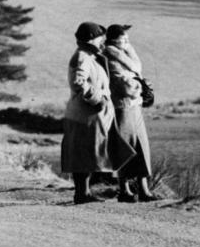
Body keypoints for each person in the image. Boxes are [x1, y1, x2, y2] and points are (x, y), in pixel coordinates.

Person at [61, 21, 132, 204]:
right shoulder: (82, 57)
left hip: (89, 115)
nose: (103, 41)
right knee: (83, 155)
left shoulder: (89, 56)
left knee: (87, 155)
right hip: (85, 115)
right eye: (100, 38)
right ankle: (82, 194)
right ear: (91, 39)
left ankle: (83, 193)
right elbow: (78, 83)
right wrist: (97, 99)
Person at [103, 23, 159, 202]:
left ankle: (144, 190)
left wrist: (140, 85)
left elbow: (133, 80)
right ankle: (124, 190)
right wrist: (141, 86)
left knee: (142, 147)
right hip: (122, 107)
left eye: (127, 39)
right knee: (124, 147)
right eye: (123, 40)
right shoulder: (110, 58)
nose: (126, 42)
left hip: (135, 105)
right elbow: (123, 84)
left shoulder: (127, 56)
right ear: (113, 41)